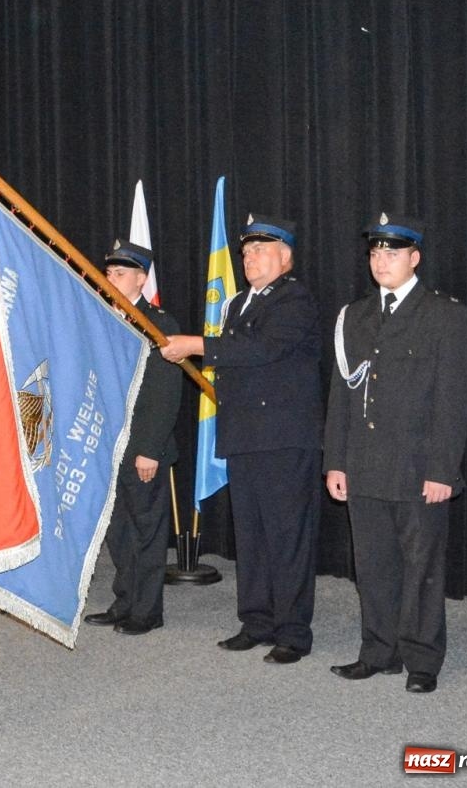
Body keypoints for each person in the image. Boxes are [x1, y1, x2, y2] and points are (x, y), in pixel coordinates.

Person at [161, 214, 323, 664]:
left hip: (284, 438)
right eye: (246, 251)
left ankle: (292, 631)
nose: (250, 258)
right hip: (245, 434)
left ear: (285, 258)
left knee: (286, 535)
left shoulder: (295, 299)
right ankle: (257, 621)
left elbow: (262, 350)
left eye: (261, 250)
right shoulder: (236, 304)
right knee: (251, 535)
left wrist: (196, 344)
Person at [324, 214, 467, 694]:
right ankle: (378, 651)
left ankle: (422, 659)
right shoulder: (357, 315)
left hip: (417, 469)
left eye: (391, 253)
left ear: (415, 258)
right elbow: (342, 396)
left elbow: (455, 399)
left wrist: (442, 471)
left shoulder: (444, 315)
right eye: (374, 253)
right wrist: (336, 460)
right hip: (366, 465)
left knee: (422, 568)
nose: (380, 261)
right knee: (372, 565)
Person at [83, 241, 183, 634]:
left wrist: (149, 449)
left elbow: (163, 393)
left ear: (141, 279)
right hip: (105, 446)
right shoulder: (99, 319)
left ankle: (147, 610)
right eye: (108, 273)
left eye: (120, 274)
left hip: (141, 447)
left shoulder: (159, 323)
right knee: (118, 530)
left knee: (146, 530)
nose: (111, 279)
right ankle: (124, 599)